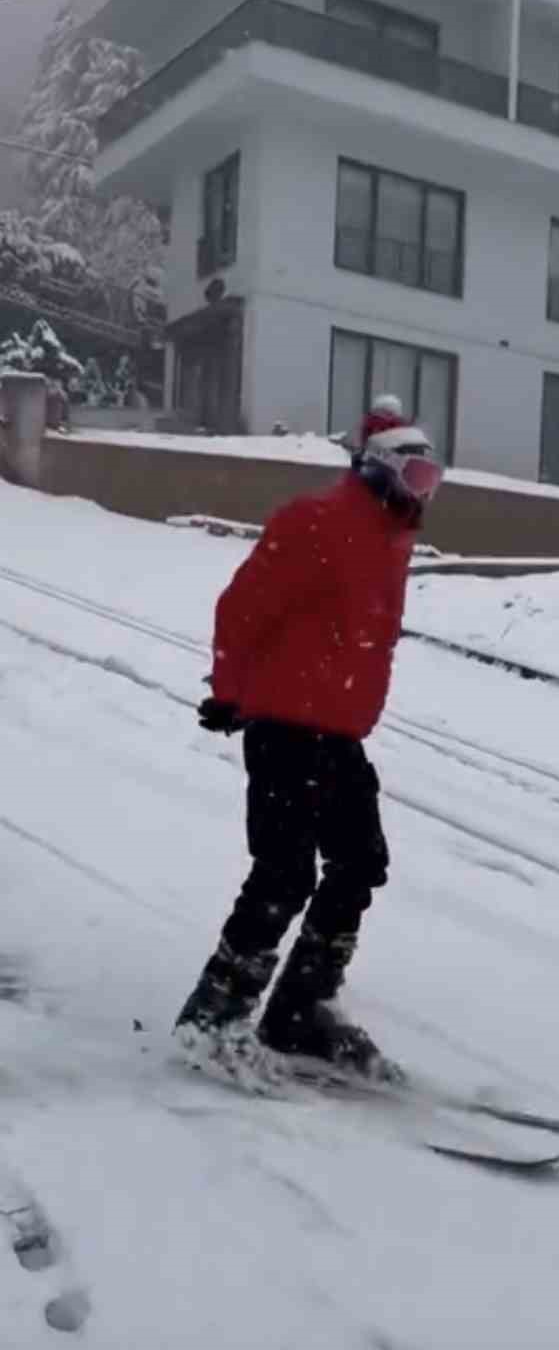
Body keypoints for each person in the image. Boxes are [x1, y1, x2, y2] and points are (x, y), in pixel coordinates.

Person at [175, 406, 445, 1084]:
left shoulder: (390, 537)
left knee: (359, 862)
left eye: (433, 478)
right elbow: (241, 607)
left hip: (339, 729)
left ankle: (300, 1012)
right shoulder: (314, 521)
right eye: (415, 474)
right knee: (285, 870)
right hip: (284, 723)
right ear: (381, 469)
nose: (424, 491)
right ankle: (212, 1020)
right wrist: (231, 693)